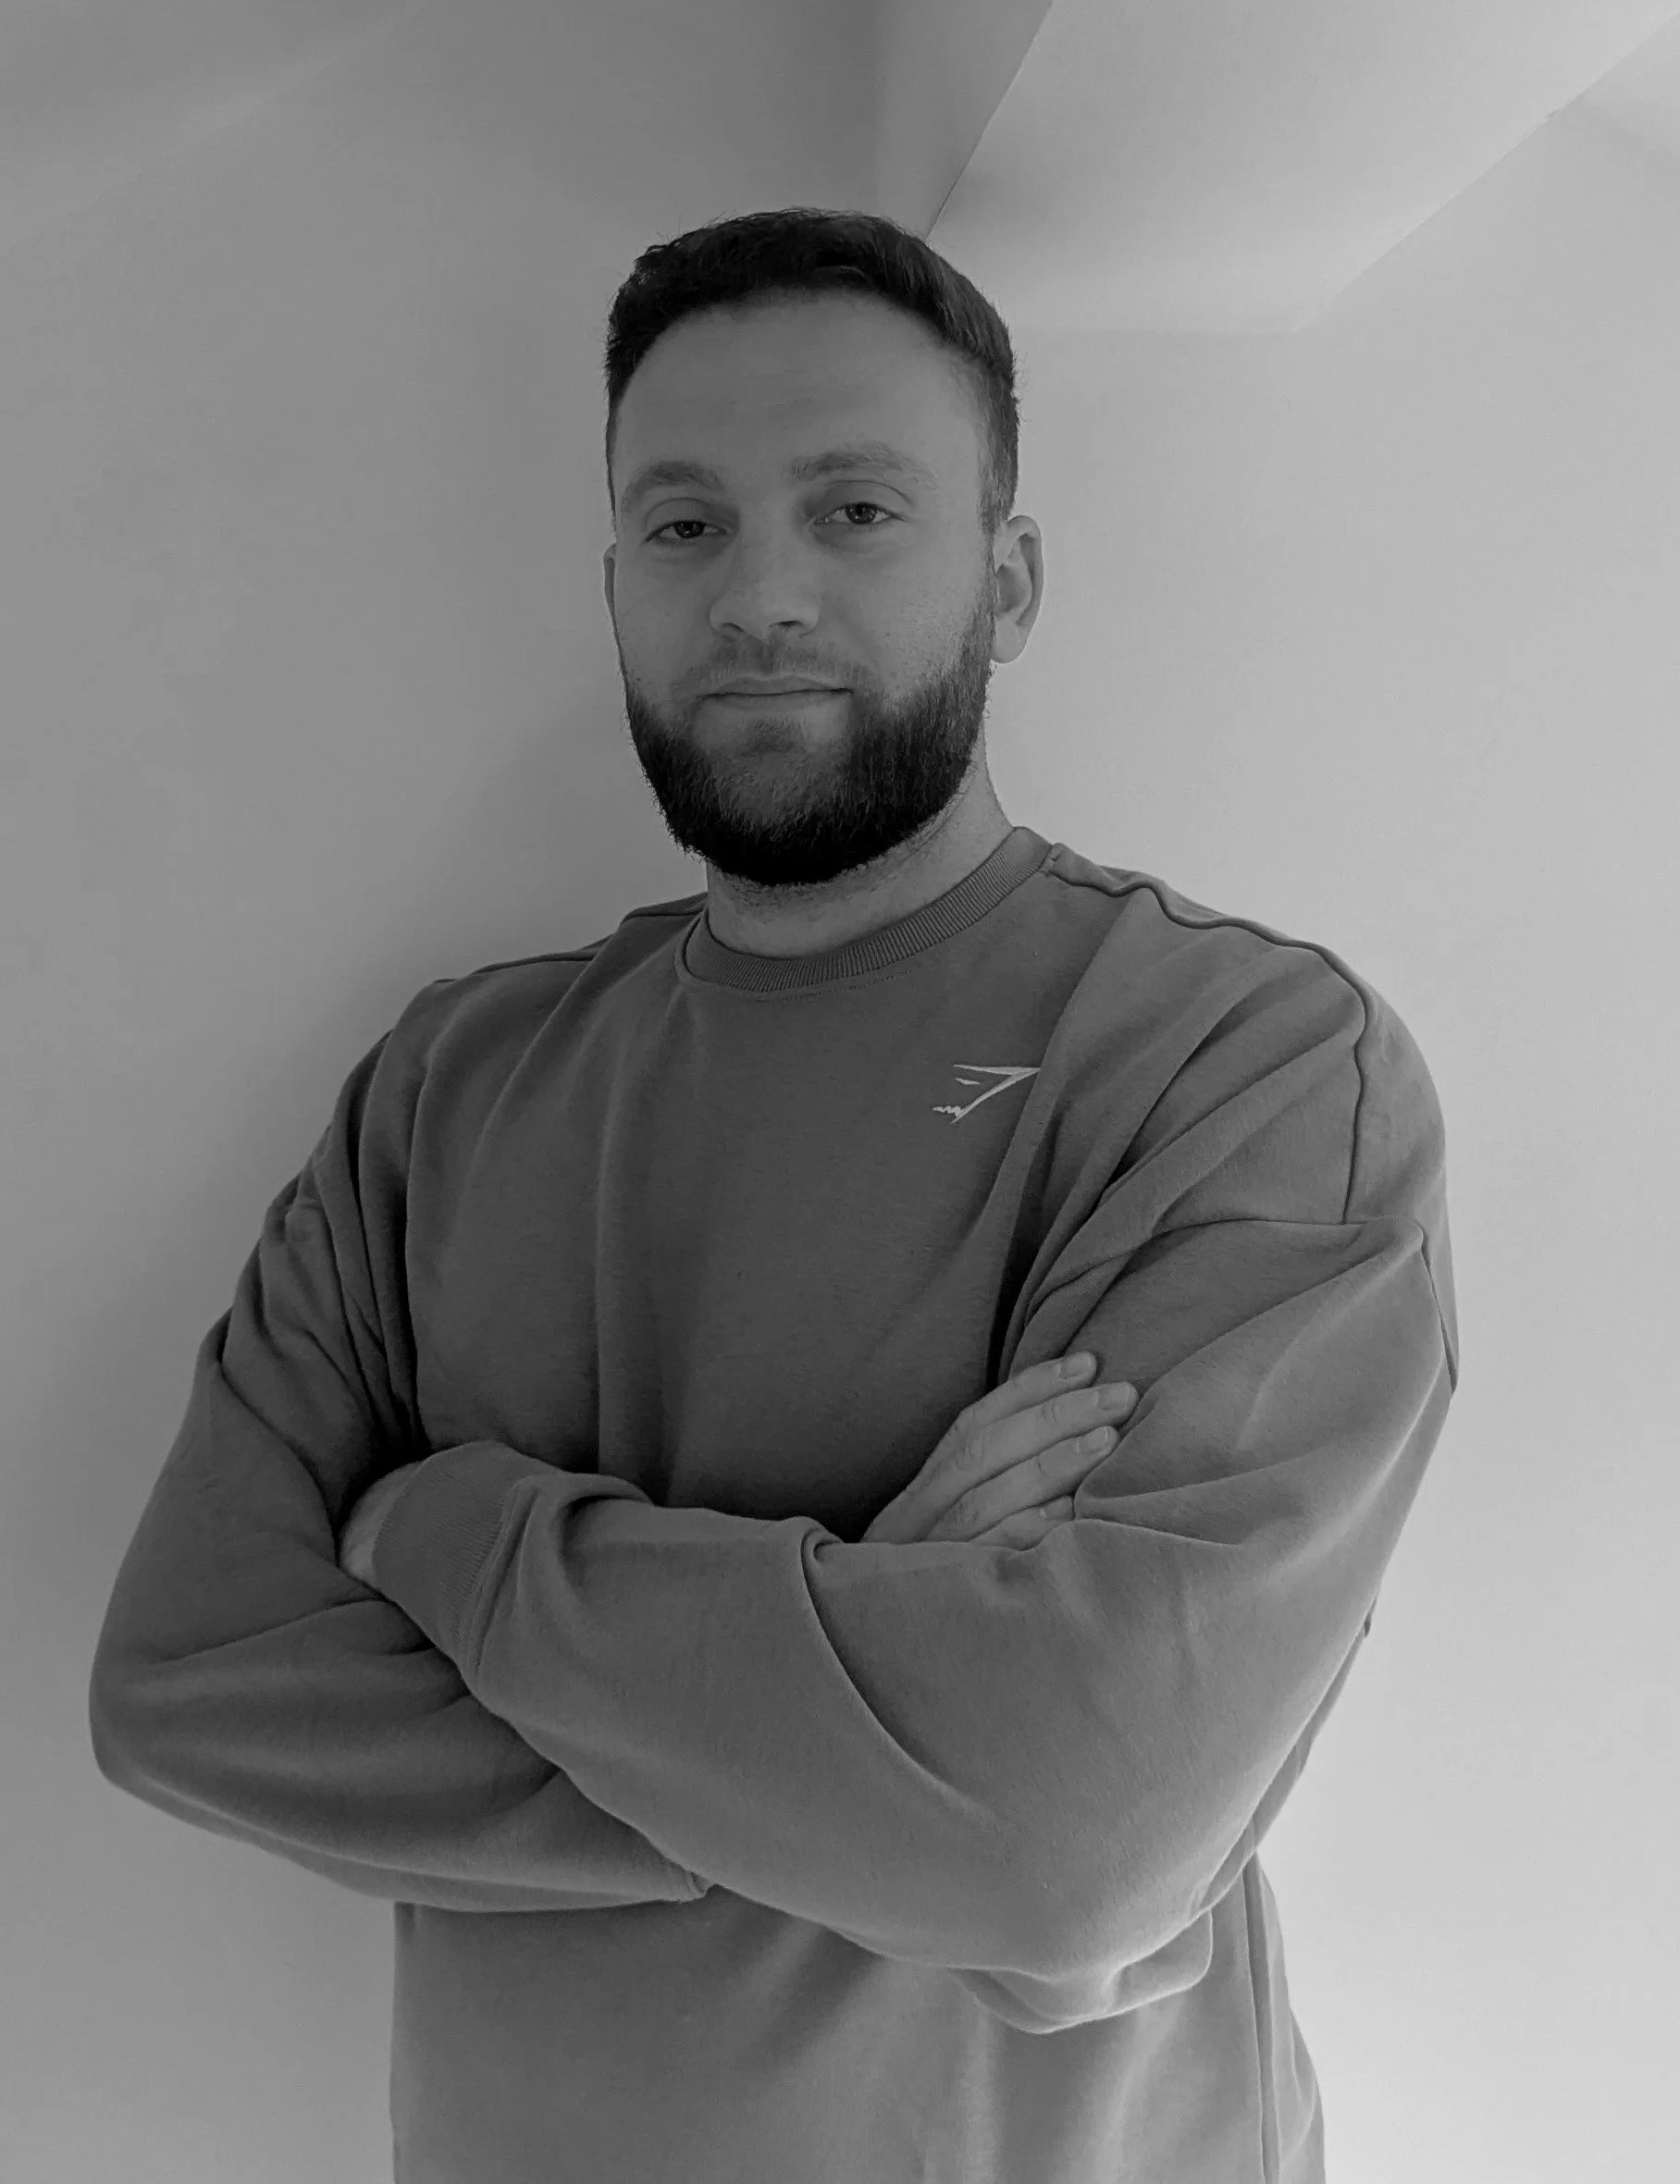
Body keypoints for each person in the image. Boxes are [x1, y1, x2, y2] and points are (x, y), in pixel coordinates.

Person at [89, 207, 1458, 2183]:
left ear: (1006, 580)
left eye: (855, 510)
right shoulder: (451, 1087)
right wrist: (864, 1655)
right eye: (683, 525)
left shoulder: (1228, 1058)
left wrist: (451, 1531)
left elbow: (1069, 1839)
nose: (761, 596)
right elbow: (187, 1687)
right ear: (617, 580)